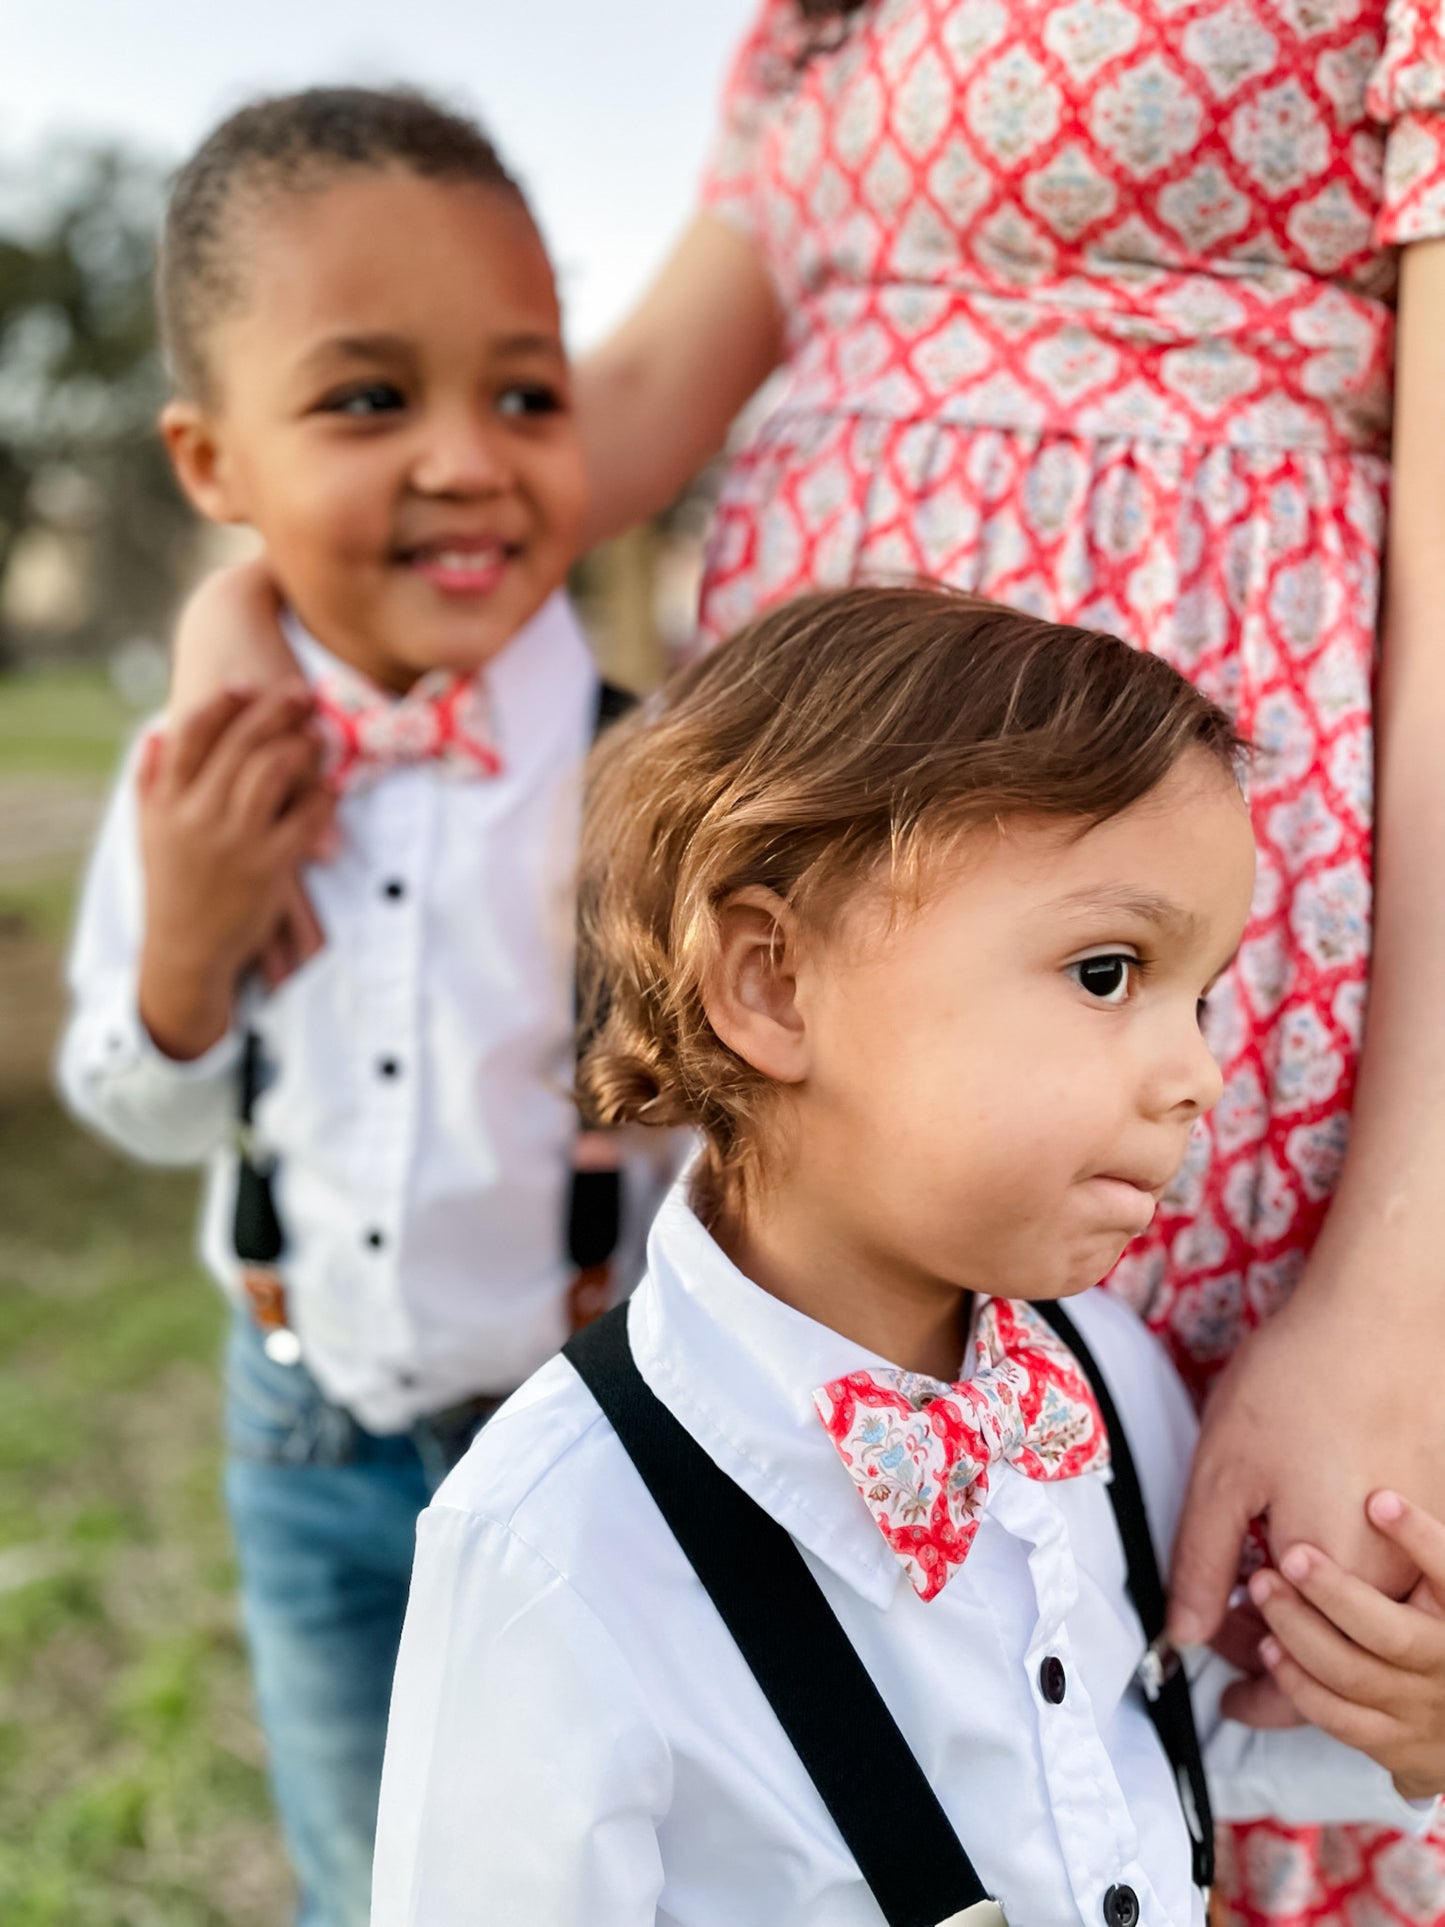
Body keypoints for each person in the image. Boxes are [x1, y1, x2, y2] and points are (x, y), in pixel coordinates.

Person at [371, 586, 1445, 1927]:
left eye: (1204, 995)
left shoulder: (1102, 1384)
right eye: (1108, 973)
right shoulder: (550, 1549)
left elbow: (1142, 1741)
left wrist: (1403, 1726)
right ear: (771, 982)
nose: (1197, 1074)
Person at [56, 87, 644, 1927]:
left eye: (526, 395)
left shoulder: (651, 782)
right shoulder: (193, 780)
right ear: (212, 462)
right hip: (300, 1442)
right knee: (366, 1877)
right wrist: (188, 951)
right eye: (369, 398)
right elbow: (135, 1104)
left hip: (597, 1453)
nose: (470, 459)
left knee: (597, 1876)